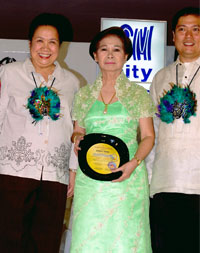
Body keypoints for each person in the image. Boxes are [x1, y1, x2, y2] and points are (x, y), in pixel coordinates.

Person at [70, 26, 156, 252]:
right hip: (90, 180)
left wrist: (134, 164)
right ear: (94, 55)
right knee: (89, 238)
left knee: (126, 240)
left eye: (116, 50)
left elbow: (148, 137)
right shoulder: (84, 95)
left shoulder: (138, 94)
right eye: (104, 49)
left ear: (125, 56)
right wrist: (78, 137)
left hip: (127, 178)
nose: (110, 55)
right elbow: (78, 131)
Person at [0, 13, 79, 253]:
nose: (46, 48)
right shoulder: (10, 73)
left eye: (52, 42)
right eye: (39, 41)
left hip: (55, 176)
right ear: (30, 44)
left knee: (46, 242)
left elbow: (74, 128)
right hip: (13, 170)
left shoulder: (71, 82)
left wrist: (72, 169)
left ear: (60, 46)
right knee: (8, 240)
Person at [147, 7, 200, 253]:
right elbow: (153, 133)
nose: (188, 36)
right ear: (173, 36)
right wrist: (148, 183)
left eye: (196, 29)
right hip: (164, 183)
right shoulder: (160, 78)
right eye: (182, 29)